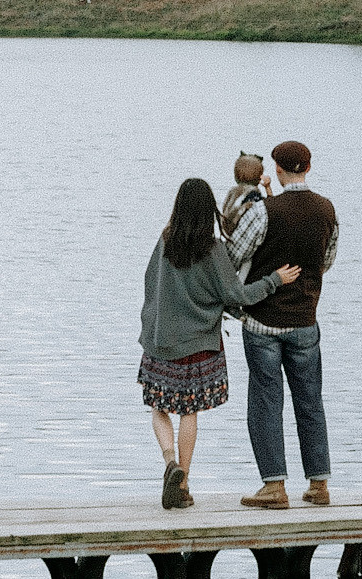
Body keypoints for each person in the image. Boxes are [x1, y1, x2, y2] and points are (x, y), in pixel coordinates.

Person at [140, 176, 298, 510]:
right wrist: (274, 280)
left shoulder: (165, 241)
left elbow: (151, 285)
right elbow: (237, 295)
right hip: (198, 345)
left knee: (159, 408)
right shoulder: (213, 250)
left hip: (161, 342)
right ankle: (183, 480)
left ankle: (170, 463)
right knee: (189, 412)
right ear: (208, 209)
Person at [229, 140, 338, 509]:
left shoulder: (265, 211)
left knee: (265, 402)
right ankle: (318, 483)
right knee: (310, 401)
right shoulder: (326, 209)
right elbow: (327, 260)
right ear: (308, 167)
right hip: (305, 320)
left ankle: (274, 486)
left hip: (263, 322)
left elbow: (233, 253)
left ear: (277, 169)